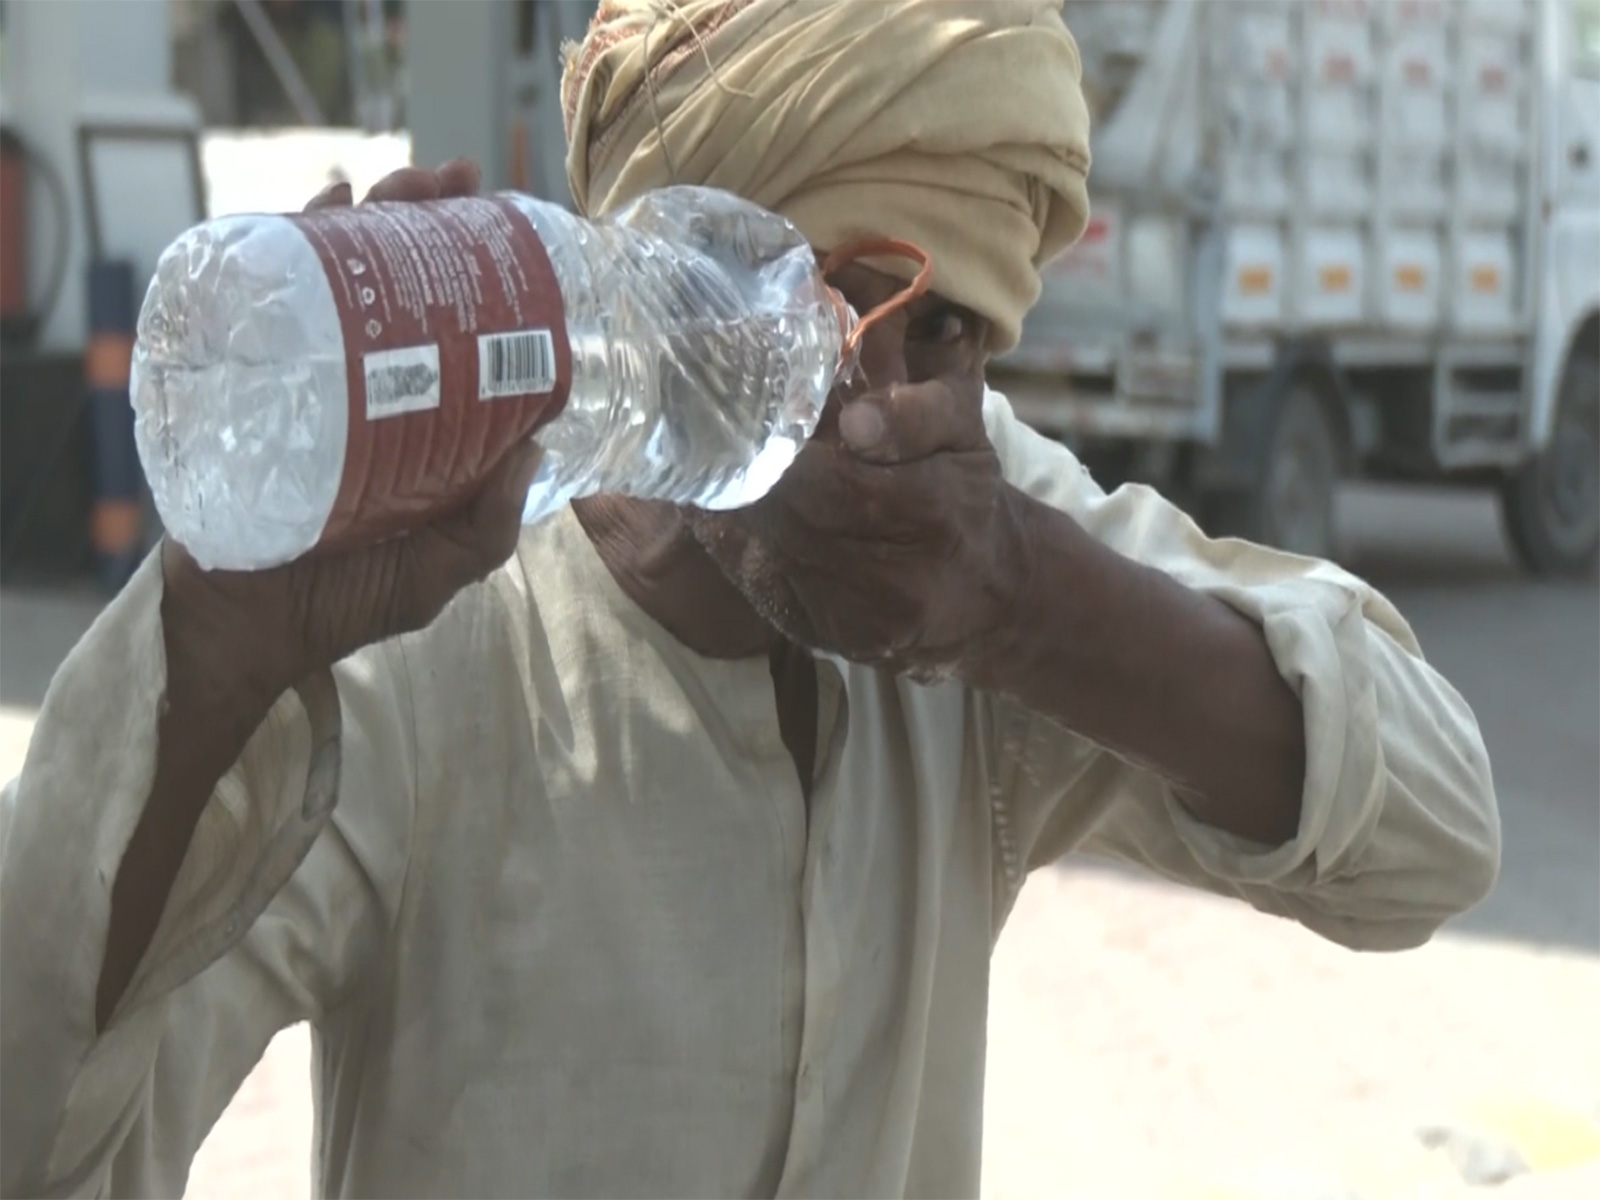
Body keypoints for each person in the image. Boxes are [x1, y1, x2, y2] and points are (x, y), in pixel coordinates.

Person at [1, 2, 1499, 1196]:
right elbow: (45, 1145)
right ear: (668, 275)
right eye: (834, 294)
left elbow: (1431, 837)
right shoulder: (430, 645)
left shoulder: (970, 539)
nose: (876, 383)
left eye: (951, 332)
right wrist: (215, 658)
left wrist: (1028, 605)